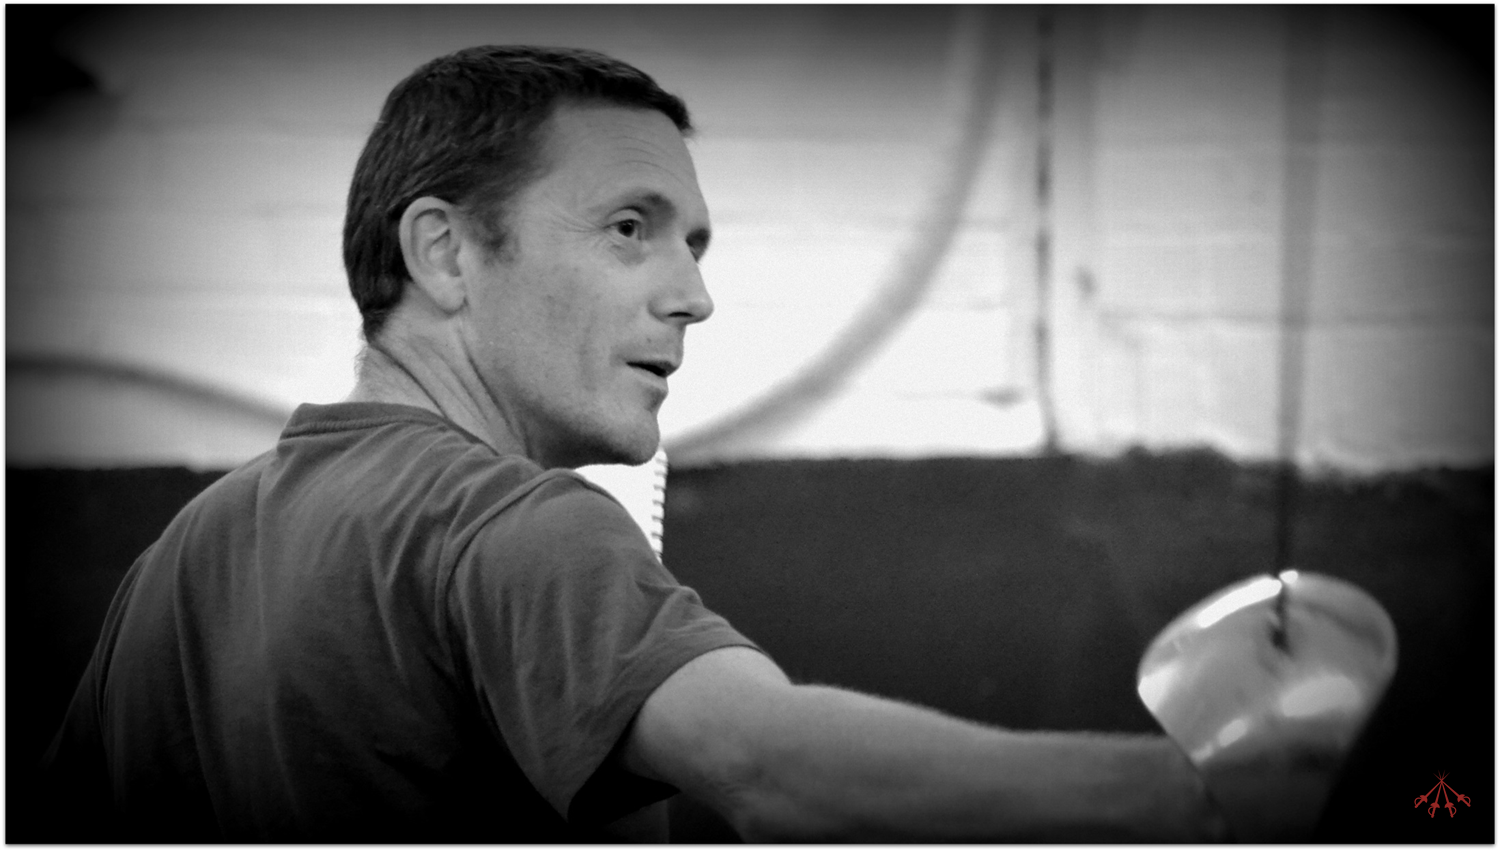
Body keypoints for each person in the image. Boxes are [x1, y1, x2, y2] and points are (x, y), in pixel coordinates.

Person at [40, 45, 1237, 842]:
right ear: (445, 252)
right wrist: (1201, 794)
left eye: (695, 244)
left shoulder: (180, 554)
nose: (692, 297)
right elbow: (773, 768)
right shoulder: (512, 522)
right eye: (629, 227)